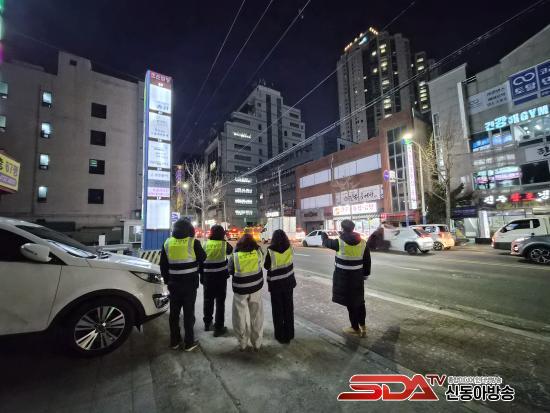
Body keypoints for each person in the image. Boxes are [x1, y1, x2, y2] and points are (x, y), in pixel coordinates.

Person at [160, 218, 206, 351]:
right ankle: (189, 343)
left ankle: (174, 341)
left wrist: (167, 281)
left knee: (174, 314)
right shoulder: (193, 242)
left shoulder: (167, 243)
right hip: (190, 285)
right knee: (188, 313)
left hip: (174, 284)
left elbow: (163, 265)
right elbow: (203, 257)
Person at [321, 220, 371, 337]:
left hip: (344, 278)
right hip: (357, 277)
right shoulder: (363, 242)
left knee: (350, 303)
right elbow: (367, 260)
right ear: (353, 228)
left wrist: (323, 234)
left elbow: (326, 242)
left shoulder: (339, 242)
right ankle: (363, 327)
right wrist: (365, 274)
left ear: (343, 229)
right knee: (360, 301)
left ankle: (355, 328)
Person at [228, 233, 264, 351]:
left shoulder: (235, 256)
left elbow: (230, 270)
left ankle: (242, 343)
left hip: (240, 290)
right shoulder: (258, 253)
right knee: (257, 315)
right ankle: (257, 343)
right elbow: (262, 262)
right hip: (256, 288)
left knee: (239, 316)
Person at [264, 229, 296, 344]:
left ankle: (280, 335)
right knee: (288, 308)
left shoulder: (271, 251)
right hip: (288, 282)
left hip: (276, 285)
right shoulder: (290, 248)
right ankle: (290, 334)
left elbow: (266, 266)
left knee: (277, 310)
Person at [201, 225, 233, 336]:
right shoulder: (224, 244)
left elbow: (201, 260)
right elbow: (230, 251)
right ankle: (219, 328)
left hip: (208, 277)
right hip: (220, 278)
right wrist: (224, 239)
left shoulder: (205, 244)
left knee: (208, 301)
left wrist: (202, 276)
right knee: (220, 303)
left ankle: (207, 324)